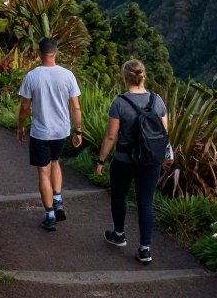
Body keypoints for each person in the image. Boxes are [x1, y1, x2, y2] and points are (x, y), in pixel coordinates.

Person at [95, 59, 168, 264]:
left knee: (119, 195)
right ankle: (145, 249)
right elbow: (164, 133)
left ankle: (119, 234)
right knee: (146, 203)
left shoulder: (120, 102)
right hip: (151, 161)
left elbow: (111, 136)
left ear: (125, 77)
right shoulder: (157, 100)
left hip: (124, 160)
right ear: (143, 76)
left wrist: (101, 160)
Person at [16, 38, 82, 232]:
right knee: (55, 161)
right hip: (62, 130)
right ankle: (58, 199)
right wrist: (78, 131)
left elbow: (25, 106)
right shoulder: (67, 75)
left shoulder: (32, 76)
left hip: (41, 131)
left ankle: (50, 215)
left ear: (39, 53)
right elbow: (76, 106)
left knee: (43, 172)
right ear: (56, 52)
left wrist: (20, 127)